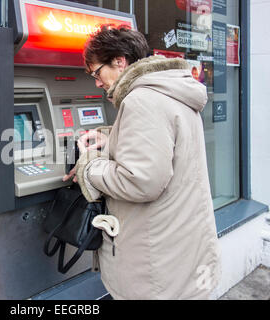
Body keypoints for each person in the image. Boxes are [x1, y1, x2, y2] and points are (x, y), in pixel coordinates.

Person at [63, 25, 221, 300]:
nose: (96, 82)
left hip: (156, 264)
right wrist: (111, 136)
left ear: (120, 61)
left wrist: (90, 168)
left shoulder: (142, 100)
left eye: (96, 72)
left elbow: (140, 181)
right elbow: (164, 142)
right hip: (181, 248)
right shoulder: (170, 90)